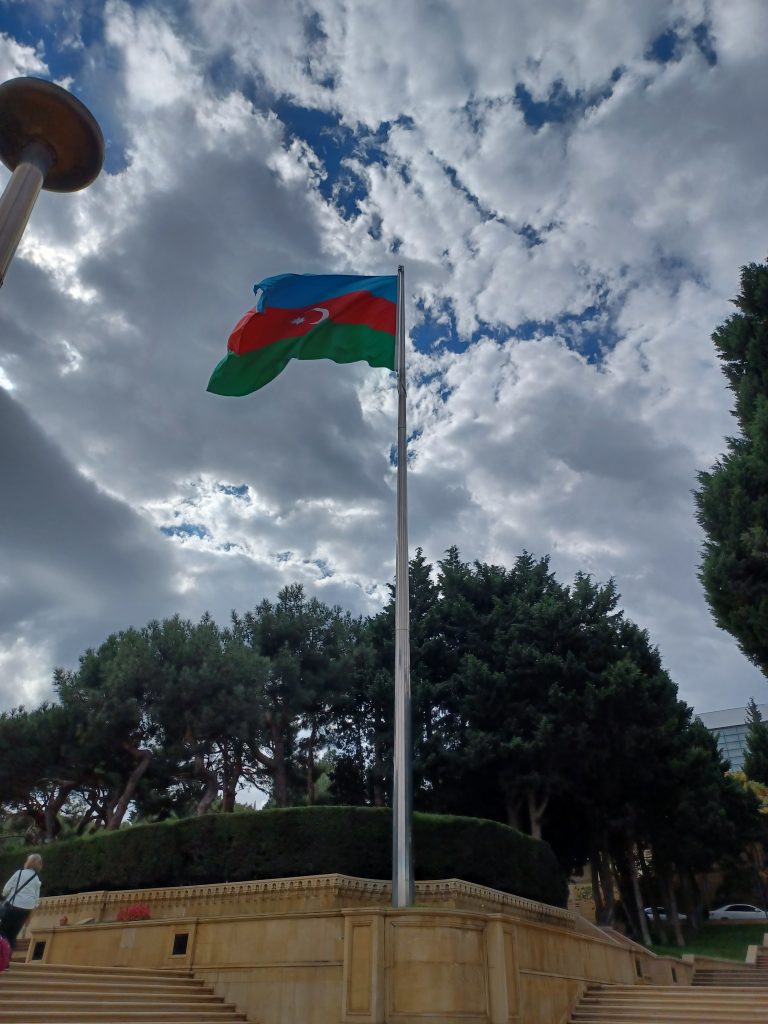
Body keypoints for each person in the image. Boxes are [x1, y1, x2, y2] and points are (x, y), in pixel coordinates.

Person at [1, 854, 42, 948]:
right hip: (25, 911)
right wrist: (29, 917)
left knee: (3, 932)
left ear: (28, 862)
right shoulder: (36, 879)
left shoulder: (19, 873)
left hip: (12, 906)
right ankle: (7, 958)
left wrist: (6, 896)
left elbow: (5, 890)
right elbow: (36, 901)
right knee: (13, 935)